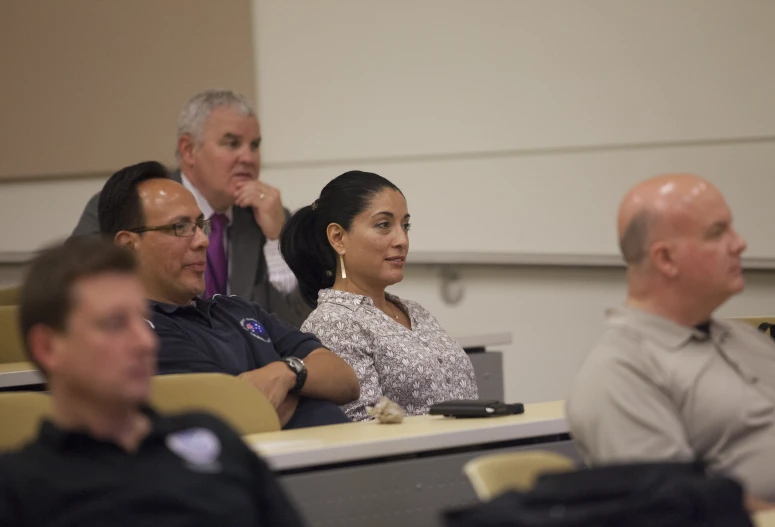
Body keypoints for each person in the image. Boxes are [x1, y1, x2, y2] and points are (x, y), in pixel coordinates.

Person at [0, 237, 305, 526]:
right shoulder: (19, 487)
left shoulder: (215, 438)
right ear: (48, 348)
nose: (146, 342)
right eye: (116, 323)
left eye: (142, 319)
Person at [99, 161, 359, 429]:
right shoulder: (138, 334)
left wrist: (287, 373)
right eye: (180, 227)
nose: (202, 241)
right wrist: (307, 384)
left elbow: (345, 380)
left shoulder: (236, 309)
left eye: (200, 225)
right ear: (128, 246)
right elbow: (234, 414)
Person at [567, 173, 775, 509]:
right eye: (718, 233)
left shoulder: (746, 339)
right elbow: (674, 508)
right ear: (665, 259)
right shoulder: (618, 373)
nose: (740, 244)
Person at [72, 89, 310, 327]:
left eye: (254, 145)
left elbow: (296, 322)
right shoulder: (128, 204)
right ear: (188, 150)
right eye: (232, 143)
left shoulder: (268, 219)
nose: (248, 157)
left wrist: (277, 238)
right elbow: (77, 292)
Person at [280, 171, 478, 421]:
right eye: (383, 225)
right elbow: (363, 427)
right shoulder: (333, 323)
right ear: (338, 238)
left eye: (405, 226)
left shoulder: (414, 311)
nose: (402, 240)